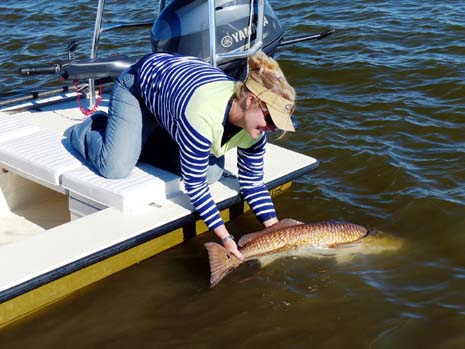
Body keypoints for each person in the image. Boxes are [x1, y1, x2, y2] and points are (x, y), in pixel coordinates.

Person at [69, 51, 296, 260]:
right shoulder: (201, 114)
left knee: (212, 172)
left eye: (278, 124)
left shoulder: (256, 129)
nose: (272, 129)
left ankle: (149, 135)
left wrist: (275, 229)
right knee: (115, 167)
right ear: (250, 101)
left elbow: (253, 182)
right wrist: (226, 238)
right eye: (271, 120)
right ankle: (93, 128)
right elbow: (195, 186)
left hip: (177, 97)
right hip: (138, 86)